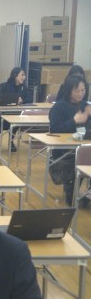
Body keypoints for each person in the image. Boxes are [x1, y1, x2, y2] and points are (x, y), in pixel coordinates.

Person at [49, 75, 90, 205]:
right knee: (79, 160)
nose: (80, 94)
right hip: (65, 152)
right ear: (69, 90)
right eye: (77, 90)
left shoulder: (86, 107)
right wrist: (74, 121)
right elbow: (54, 130)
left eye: (83, 90)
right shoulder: (58, 107)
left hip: (84, 148)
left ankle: (87, 194)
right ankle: (72, 192)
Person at [0, 67, 32, 152]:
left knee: (17, 121)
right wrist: (9, 99)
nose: (24, 77)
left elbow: (29, 99)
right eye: (22, 75)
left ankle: (11, 141)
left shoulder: (23, 87)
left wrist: (22, 100)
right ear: (15, 75)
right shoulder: (4, 85)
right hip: (4, 112)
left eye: (24, 75)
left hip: (16, 113)